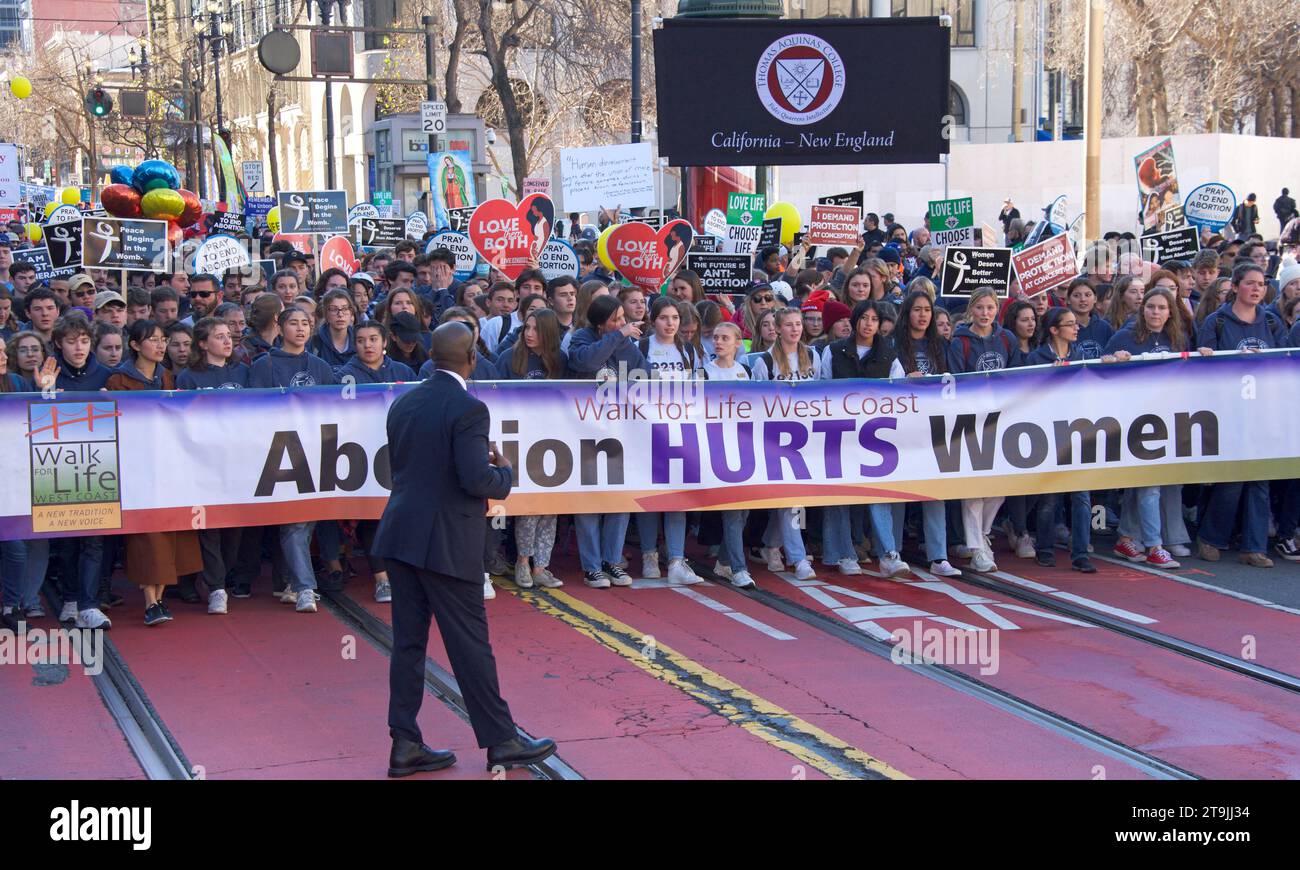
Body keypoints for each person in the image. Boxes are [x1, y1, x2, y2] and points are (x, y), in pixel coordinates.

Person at [372, 321, 557, 776]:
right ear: (472, 358)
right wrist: (506, 473)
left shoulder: (404, 403)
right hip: (447, 543)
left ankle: (405, 743)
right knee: (471, 645)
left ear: (433, 357)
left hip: (400, 536)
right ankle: (502, 740)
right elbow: (475, 480)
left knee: (409, 645)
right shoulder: (469, 410)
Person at [107, 319, 204, 625]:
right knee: (147, 537)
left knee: (169, 533)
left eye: (163, 340)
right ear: (135, 345)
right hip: (136, 470)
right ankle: (151, 602)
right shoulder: (118, 382)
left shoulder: (167, 377)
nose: (161, 346)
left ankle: (159, 598)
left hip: (168, 466)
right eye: (153, 340)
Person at [1194, 263, 1285, 568]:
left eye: (1261, 284)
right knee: (1232, 479)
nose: (1257, 289)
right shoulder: (1216, 322)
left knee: (1260, 480)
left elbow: (1283, 363)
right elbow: (1202, 370)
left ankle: (1254, 547)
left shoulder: (1271, 322)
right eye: (1250, 283)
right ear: (1234, 287)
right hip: (1229, 413)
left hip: (1263, 411)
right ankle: (1210, 537)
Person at [946, 288, 1021, 571]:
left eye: (990, 307)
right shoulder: (959, 343)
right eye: (980, 308)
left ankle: (983, 533)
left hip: (1003, 419)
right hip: (972, 421)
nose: (985, 313)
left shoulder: (1006, 338)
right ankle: (976, 547)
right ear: (971, 311)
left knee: (999, 487)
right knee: (973, 488)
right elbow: (958, 381)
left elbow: (1017, 376)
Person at [493, 309, 567, 590]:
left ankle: (542, 567)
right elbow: (496, 394)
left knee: (550, 508)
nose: (530, 333)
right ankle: (522, 562)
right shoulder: (509, 358)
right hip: (520, 440)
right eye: (527, 328)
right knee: (529, 507)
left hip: (554, 442)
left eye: (536, 329)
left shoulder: (560, 360)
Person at [635, 298, 704, 586]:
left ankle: (676, 558)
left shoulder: (688, 350)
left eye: (675, 317)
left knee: (678, 495)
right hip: (646, 430)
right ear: (654, 321)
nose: (671, 323)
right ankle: (649, 554)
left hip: (680, 430)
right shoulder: (642, 347)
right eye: (664, 317)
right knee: (651, 496)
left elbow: (699, 388)